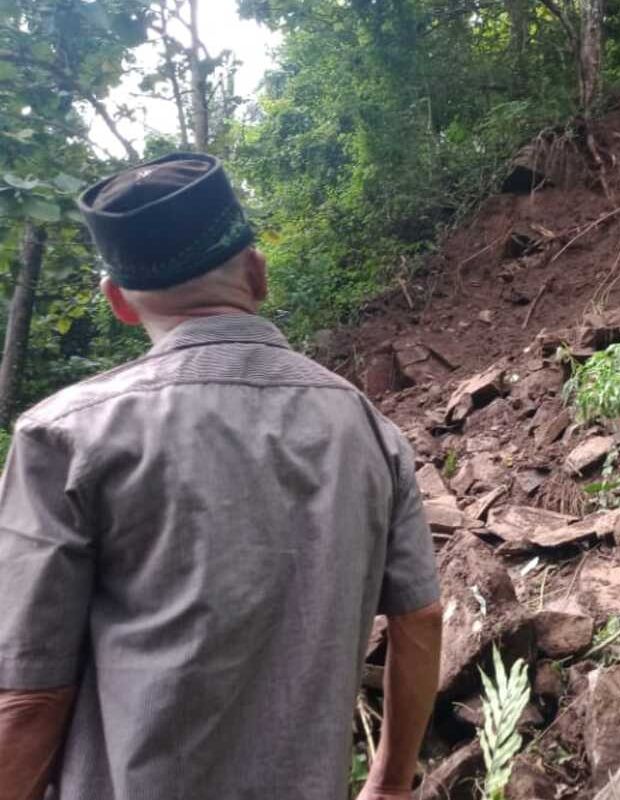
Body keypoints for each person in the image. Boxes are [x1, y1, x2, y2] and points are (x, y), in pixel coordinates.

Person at [0, 153, 442, 800]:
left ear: (119, 302)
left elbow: (29, 699)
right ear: (257, 274)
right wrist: (391, 782)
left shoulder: (64, 438)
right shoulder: (369, 428)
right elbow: (422, 617)